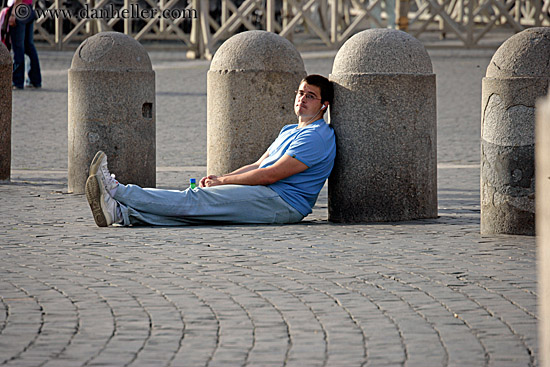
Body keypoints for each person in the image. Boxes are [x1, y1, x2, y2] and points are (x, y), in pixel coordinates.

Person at [85, 74, 336, 227]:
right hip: (268, 194)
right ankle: (119, 213)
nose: (302, 99)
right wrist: (220, 179)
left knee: (196, 200)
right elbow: (259, 165)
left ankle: (117, 190)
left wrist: (223, 181)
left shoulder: (317, 138)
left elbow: (271, 175)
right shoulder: (290, 130)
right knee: (200, 210)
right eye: (300, 93)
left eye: (310, 96)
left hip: (283, 203)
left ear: (323, 106)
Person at [8, 0, 41, 89]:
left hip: (19, 9)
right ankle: (35, 79)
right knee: (29, 46)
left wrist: (13, 14)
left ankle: (17, 81)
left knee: (18, 47)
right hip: (29, 8)